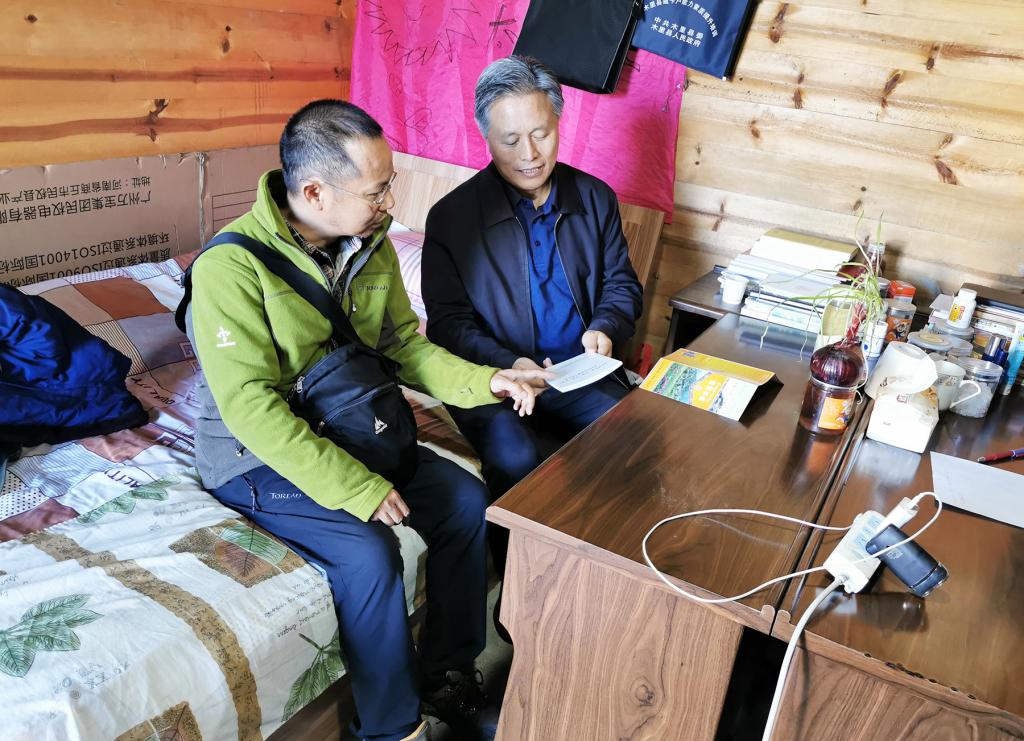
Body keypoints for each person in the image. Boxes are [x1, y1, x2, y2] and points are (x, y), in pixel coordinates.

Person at [185, 99, 549, 741]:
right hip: (254, 454)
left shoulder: (368, 242)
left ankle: (447, 673)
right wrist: (358, 489)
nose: (388, 203)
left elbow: (402, 345)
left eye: (389, 185)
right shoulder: (230, 268)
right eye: (376, 191)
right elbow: (251, 409)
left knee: (465, 499)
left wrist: (484, 381)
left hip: (347, 420)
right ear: (315, 192)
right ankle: (390, 728)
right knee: (368, 554)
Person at [422, 56, 643, 575]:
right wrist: (509, 363)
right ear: (486, 137)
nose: (529, 154)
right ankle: (518, 581)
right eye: (511, 140)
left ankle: (605, 568)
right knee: (516, 457)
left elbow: (621, 285)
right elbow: (448, 324)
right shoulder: (452, 218)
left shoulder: (594, 198)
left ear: (558, 123)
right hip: (497, 378)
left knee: (629, 432)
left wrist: (605, 327)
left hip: (574, 372)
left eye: (541, 134)